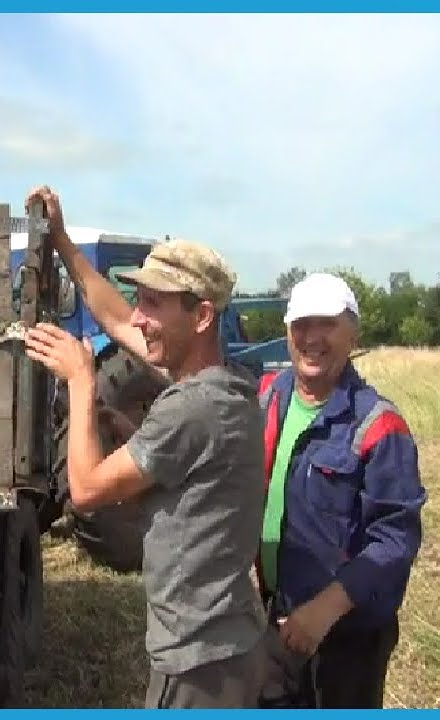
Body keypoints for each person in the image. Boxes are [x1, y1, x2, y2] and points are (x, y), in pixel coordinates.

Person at [21, 185, 269, 708]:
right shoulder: (223, 386)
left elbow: (85, 491)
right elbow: (112, 317)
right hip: (224, 644)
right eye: (141, 301)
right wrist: (64, 241)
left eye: (153, 304)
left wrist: (82, 382)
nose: (138, 317)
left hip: (201, 662)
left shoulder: (191, 408)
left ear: (201, 317)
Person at [255, 272, 427, 709]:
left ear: (353, 333)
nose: (312, 337)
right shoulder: (272, 396)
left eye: (326, 324)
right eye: (301, 325)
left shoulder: (379, 425)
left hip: (345, 639)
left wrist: (325, 609)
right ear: (287, 333)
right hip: (277, 616)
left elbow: (395, 538)